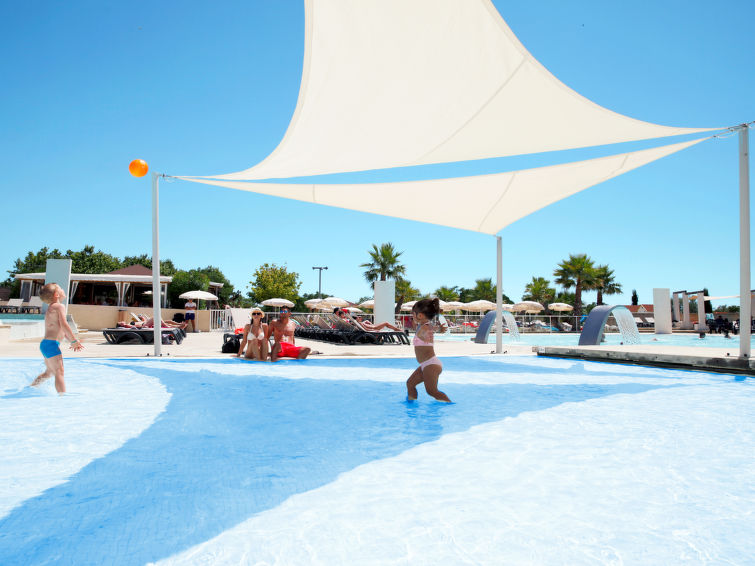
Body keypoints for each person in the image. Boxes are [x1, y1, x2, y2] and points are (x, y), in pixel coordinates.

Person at [31, 283, 83, 394]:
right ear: (56, 294)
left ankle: (31, 387)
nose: (63, 290)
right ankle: (62, 397)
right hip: (51, 345)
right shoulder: (59, 306)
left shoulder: (52, 307)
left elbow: (61, 330)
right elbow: (64, 325)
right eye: (61, 289)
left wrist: (71, 341)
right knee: (59, 371)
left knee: (49, 372)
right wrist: (74, 340)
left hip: (46, 344)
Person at [406, 298, 451, 403]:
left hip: (431, 364)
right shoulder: (423, 326)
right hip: (425, 364)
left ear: (420, 315)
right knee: (410, 384)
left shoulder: (425, 328)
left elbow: (428, 330)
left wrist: (433, 332)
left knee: (432, 391)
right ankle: (411, 405)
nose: (412, 316)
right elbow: (431, 328)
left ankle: (450, 404)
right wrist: (438, 329)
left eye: (413, 314)